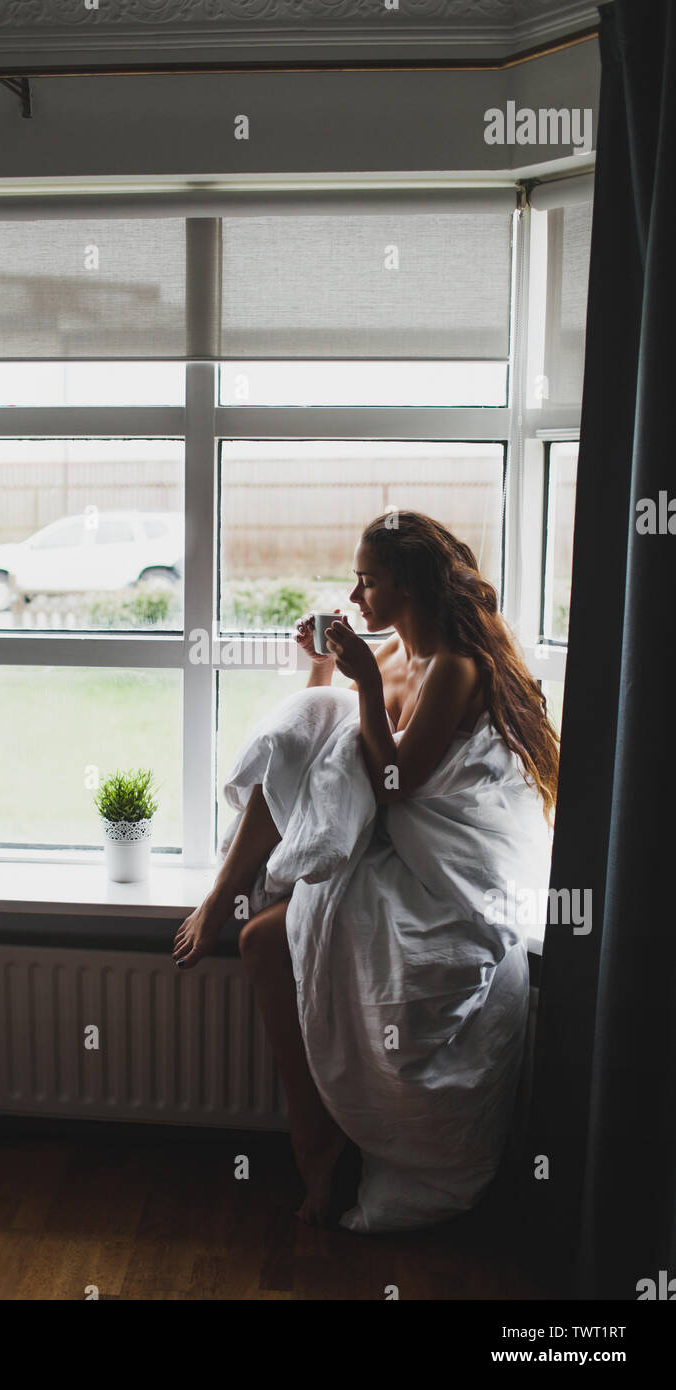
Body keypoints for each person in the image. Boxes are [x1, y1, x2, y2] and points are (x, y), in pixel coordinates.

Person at [172, 511, 559, 1229]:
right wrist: (323, 670)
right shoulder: (391, 657)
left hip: (434, 874)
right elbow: (336, 744)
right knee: (306, 728)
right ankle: (314, 1131)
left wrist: (355, 683)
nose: (355, 598)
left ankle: (326, 1140)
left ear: (407, 587)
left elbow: (396, 782)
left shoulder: (454, 668)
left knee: (264, 938)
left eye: (368, 581)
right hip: (387, 848)